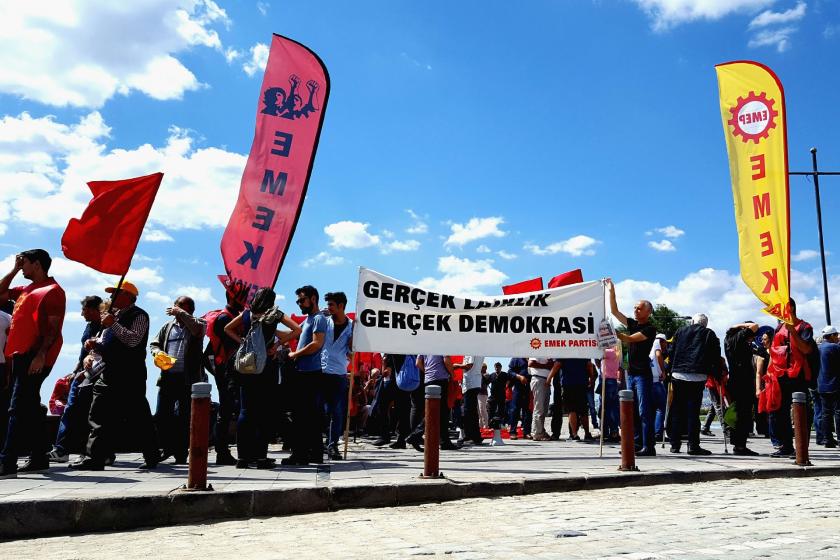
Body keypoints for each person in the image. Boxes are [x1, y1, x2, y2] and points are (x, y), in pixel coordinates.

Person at [71, 281, 159, 471]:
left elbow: (133, 340)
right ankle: (95, 458)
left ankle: (151, 455)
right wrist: (92, 348)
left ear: (128, 296)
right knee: (97, 413)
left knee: (138, 416)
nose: (111, 298)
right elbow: (105, 341)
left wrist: (115, 325)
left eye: (115, 294)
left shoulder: (139, 315)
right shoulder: (113, 316)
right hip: (108, 372)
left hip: (130, 374)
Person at [0, 250, 66, 478]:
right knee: (29, 407)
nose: (22, 266)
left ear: (36, 264)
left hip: (35, 356)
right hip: (20, 354)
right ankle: (39, 458)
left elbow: (53, 328)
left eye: (24, 263)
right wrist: (15, 269)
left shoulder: (53, 291)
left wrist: (40, 355)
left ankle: (6, 464)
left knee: (17, 407)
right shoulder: (25, 290)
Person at [225, 287, 300, 468]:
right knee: (264, 412)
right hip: (266, 366)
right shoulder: (275, 314)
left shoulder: (247, 314)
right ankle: (260, 458)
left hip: (246, 366)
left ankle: (243, 458)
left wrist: (242, 341)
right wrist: (277, 345)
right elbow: (296, 329)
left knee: (245, 412)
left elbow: (228, 328)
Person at [149, 296, 206, 464]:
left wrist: (181, 313)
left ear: (190, 310)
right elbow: (154, 344)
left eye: (181, 306)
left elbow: (197, 330)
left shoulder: (199, 322)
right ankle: (166, 448)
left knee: (184, 417)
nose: (175, 309)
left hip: (188, 378)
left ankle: (181, 453)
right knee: (162, 415)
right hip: (168, 376)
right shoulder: (167, 327)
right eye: (175, 306)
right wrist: (157, 353)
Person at [48, 296, 103, 463]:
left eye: (84, 310)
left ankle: (95, 451)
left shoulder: (104, 326)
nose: (81, 314)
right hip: (81, 374)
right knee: (70, 410)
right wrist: (74, 372)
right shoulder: (89, 327)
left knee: (89, 415)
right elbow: (82, 354)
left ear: (94, 310)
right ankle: (62, 449)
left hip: (96, 374)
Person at [607, 278, 657, 456]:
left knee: (644, 411)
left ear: (648, 312)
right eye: (635, 308)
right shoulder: (633, 323)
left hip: (643, 374)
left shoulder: (650, 329)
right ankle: (636, 443)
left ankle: (648, 446)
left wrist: (611, 332)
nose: (635, 310)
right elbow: (614, 311)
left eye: (639, 308)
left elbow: (628, 338)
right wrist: (611, 291)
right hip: (631, 373)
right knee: (633, 410)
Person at [768, 299, 818, 458]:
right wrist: (769, 374)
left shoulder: (805, 327)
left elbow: (807, 349)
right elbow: (774, 352)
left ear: (791, 309)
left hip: (799, 375)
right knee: (780, 412)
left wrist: (793, 332)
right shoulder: (778, 328)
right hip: (781, 374)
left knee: (802, 411)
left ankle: (802, 447)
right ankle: (786, 446)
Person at [285, 285, 327, 465]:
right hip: (304, 373)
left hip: (311, 373)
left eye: (302, 300)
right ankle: (311, 453)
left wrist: (296, 354)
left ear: (313, 299)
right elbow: (291, 333)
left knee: (306, 416)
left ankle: (303, 454)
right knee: (306, 415)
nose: (299, 303)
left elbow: (317, 344)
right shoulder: (309, 319)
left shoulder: (319, 319)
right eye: (298, 301)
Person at [667, 313, 720, 455]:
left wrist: (670, 369)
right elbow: (716, 355)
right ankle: (693, 445)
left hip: (678, 374)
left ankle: (674, 444)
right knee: (693, 412)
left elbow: (671, 351)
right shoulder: (709, 334)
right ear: (705, 324)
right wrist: (717, 373)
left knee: (677, 410)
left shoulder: (680, 331)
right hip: (698, 375)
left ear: (692, 322)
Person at [202, 291, 245, 465]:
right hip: (229, 372)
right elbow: (228, 349)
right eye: (241, 296)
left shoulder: (232, 316)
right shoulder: (225, 319)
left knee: (228, 411)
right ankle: (222, 451)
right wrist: (221, 376)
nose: (245, 300)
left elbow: (206, 355)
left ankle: (223, 451)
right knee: (227, 411)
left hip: (228, 372)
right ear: (232, 297)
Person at [320, 292, 353, 460]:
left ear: (341, 306)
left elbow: (351, 353)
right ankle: (319, 444)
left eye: (332, 304)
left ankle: (333, 445)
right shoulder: (323, 321)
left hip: (339, 373)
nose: (328, 308)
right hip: (320, 370)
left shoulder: (353, 327)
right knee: (319, 410)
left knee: (337, 412)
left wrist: (353, 345)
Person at [406, 355, 458, 451]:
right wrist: (452, 374)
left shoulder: (425, 345)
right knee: (438, 411)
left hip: (428, 379)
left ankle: (444, 441)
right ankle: (415, 435)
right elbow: (446, 360)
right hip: (440, 379)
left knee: (437, 411)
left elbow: (418, 363)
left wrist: (428, 372)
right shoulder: (442, 343)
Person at [724, 321, 761, 456]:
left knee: (737, 413)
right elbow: (755, 325)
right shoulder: (739, 339)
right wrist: (744, 325)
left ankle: (737, 443)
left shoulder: (728, 340)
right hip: (743, 381)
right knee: (744, 414)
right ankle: (740, 445)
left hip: (734, 380)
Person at [552, 359, 595, 441]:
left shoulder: (565, 353)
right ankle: (587, 433)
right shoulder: (583, 351)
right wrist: (591, 378)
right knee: (583, 410)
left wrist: (549, 378)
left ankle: (574, 434)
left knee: (572, 409)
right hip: (582, 382)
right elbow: (589, 365)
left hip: (568, 383)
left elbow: (557, 364)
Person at [453, 356, 485, 445]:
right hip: (474, 382)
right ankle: (473, 435)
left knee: (469, 412)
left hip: (471, 383)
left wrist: (456, 366)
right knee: (472, 411)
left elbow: (469, 366)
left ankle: (472, 436)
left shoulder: (470, 350)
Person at [817, 326, 840, 448]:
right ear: (831, 336)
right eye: (836, 335)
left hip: (822, 384)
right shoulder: (835, 347)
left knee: (826, 413)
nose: (837, 337)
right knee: (838, 411)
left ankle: (827, 439)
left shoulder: (819, 348)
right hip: (835, 384)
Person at [527, 358, 555, 441]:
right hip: (539, 379)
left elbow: (552, 364)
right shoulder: (537, 350)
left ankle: (540, 430)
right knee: (539, 408)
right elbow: (531, 363)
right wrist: (545, 366)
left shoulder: (547, 354)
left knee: (544, 408)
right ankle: (537, 433)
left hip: (545, 380)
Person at [599, 344, 622, 442]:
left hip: (607, 381)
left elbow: (598, 353)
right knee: (612, 408)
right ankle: (613, 431)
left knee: (607, 408)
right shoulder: (616, 353)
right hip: (611, 380)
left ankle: (610, 432)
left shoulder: (610, 352)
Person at [507, 357, 531, 440]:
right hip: (518, 385)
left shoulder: (533, 357)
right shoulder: (516, 358)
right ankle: (513, 432)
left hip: (529, 386)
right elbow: (510, 372)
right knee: (515, 409)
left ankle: (527, 432)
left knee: (528, 409)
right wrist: (519, 377)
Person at [650, 333, 668, 441]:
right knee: (661, 407)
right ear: (661, 341)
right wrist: (663, 371)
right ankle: (657, 432)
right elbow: (658, 355)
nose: (666, 345)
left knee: (651, 408)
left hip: (647, 381)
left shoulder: (648, 345)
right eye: (665, 342)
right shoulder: (656, 345)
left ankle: (652, 431)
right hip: (656, 380)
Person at [486, 362, 510, 429]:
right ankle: (490, 424)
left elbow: (509, 380)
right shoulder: (492, 375)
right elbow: (486, 382)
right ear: (494, 367)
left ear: (501, 367)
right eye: (496, 367)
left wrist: (506, 386)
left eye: (498, 367)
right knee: (491, 410)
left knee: (501, 410)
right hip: (493, 396)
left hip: (501, 395)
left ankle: (502, 424)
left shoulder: (504, 374)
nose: (497, 368)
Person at [478, 363, 490, 429]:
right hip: (478, 393)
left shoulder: (486, 374)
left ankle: (486, 424)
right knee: (479, 410)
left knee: (482, 409)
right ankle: (480, 425)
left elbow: (486, 380)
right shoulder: (479, 374)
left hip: (483, 393)